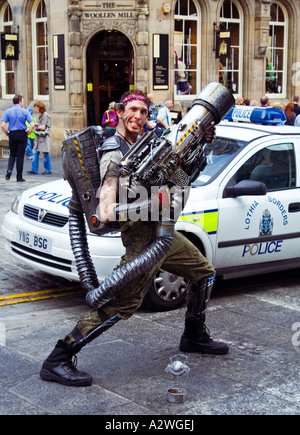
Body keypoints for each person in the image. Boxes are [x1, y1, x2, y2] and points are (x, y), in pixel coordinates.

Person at [39, 90, 229, 387]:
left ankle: (194, 335)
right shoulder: (114, 152)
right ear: (119, 112)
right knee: (122, 304)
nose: (138, 116)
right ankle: (59, 357)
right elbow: (105, 211)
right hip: (143, 238)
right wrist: (155, 202)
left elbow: (179, 179)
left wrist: (201, 147)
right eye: (133, 110)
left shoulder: (144, 143)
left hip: (162, 232)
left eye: (143, 111)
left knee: (204, 274)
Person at [1, 95, 35, 182]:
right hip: (22, 134)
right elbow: (32, 124)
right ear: (20, 102)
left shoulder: (8, 111)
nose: (23, 103)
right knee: (20, 156)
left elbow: (2, 125)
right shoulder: (24, 111)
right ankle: (19, 177)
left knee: (12, 154)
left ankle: (9, 170)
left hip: (12, 134)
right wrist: (28, 133)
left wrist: (7, 133)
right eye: (22, 101)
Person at [27, 102, 52, 175]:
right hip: (38, 137)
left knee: (45, 154)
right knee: (35, 153)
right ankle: (34, 169)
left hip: (44, 137)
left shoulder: (45, 115)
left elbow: (44, 127)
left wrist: (36, 126)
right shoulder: (39, 115)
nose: (35, 109)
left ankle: (48, 169)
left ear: (40, 108)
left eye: (36, 108)